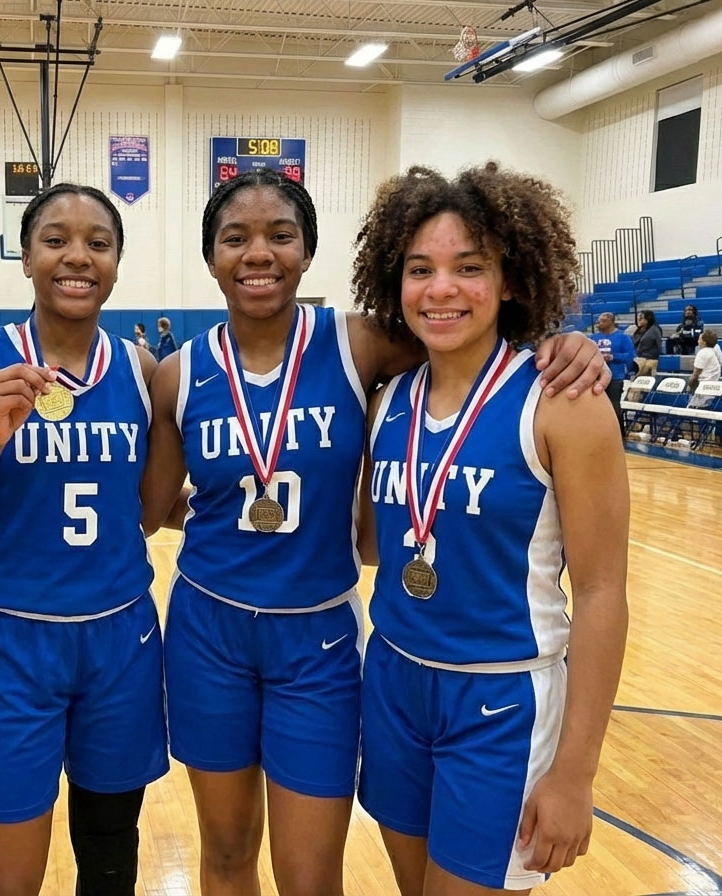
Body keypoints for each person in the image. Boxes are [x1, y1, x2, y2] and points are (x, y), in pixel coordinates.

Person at [139, 168, 609, 896]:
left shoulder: (364, 351)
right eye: (236, 237)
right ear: (211, 256)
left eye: (281, 235)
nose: (259, 252)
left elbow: (471, 342)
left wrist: (563, 341)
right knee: (226, 852)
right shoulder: (180, 374)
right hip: (213, 631)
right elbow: (152, 508)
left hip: (323, 639)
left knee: (309, 874)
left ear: (308, 251)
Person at [352, 162, 628, 896]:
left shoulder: (563, 402)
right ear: (395, 283)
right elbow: (372, 545)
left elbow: (603, 594)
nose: (441, 289)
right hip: (394, 682)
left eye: (468, 268)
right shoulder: (388, 405)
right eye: (421, 269)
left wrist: (575, 774)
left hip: (501, 702)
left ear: (510, 279)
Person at [0, 183, 167, 896]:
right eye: (55, 240)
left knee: (112, 857)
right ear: (25, 256)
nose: (77, 257)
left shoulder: (140, 370)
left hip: (121, 640)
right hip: (11, 644)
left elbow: (144, 513)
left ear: (117, 261)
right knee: (8, 878)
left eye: (98, 242)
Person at [592, 312, 634, 437]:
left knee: (614, 405)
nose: (599, 323)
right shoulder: (593, 338)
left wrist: (613, 357)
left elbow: (630, 355)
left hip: (615, 376)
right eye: (598, 321)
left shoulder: (623, 337)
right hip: (596, 377)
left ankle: (619, 434)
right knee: (596, 406)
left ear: (611, 321)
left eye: (602, 321)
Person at [687, 329, 722, 405]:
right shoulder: (712, 352)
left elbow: (695, 375)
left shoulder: (702, 353)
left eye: (699, 339)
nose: (698, 341)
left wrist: (690, 387)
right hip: (712, 387)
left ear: (704, 342)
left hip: (703, 389)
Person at [631, 309, 661, 378]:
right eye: (638, 318)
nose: (639, 320)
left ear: (648, 318)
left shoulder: (654, 330)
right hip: (637, 358)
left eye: (641, 318)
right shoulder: (638, 330)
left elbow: (657, 346)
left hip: (649, 359)